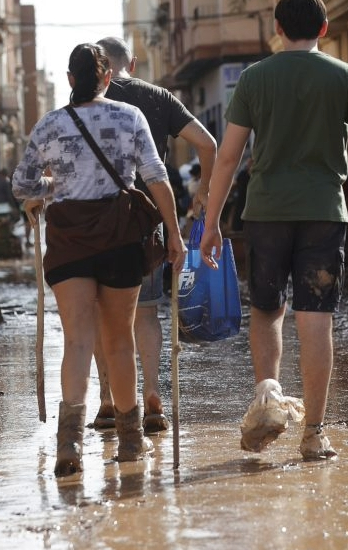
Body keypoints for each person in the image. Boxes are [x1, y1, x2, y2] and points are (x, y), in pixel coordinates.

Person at [199, 0, 348, 461]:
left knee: (266, 310)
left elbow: (229, 157)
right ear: (324, 29)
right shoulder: (345, 77)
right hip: (323, 212)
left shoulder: (255, 79)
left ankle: (268, 398)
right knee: (316, 319)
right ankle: (314, 433)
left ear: (277, 30)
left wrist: (211, 221)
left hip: (266, 212)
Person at [12, 43, 185, 477]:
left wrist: (51, 189)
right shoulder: (129, 117)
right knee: (120, 341)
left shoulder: (49, 125)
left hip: (69, 241)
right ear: (109, 78)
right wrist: (175, 234)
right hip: (120, 239)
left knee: (77, 342)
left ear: (70, 79)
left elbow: (23, 184)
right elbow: (155, 177)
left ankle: (68, 444)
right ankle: (129, 440)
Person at [89, 36, 217, 434]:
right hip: (147, 220)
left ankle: (108, 400)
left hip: (95, 221)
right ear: (134, 63)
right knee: (146, 312)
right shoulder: (158, 97)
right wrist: (203, 191)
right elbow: (208, 144)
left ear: (100, 66)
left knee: (101, 314)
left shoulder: (87, 97)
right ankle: (152, 395)